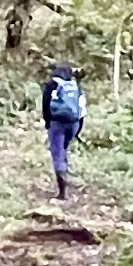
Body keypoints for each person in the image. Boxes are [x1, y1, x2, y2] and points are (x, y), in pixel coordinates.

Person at [40, 60, 86, 199]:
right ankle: (65, 178)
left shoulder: (52, 85)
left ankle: (62, 192)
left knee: (58, 154)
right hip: (74, 123)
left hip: (57, 123)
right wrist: (78, 129)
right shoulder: (75, 86)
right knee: (64, 150)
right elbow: (82, 109)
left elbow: (45, 106)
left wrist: (48, 123)